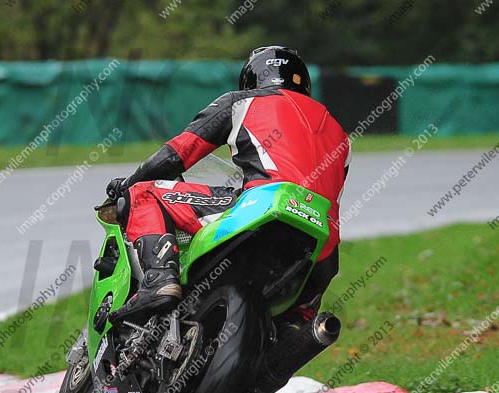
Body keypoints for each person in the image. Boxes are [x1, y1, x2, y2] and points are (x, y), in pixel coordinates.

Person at [107, 45, 350, 324]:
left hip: (264, 206)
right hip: (323, 250)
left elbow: (176, 154)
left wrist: (128, 184)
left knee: (144, 195)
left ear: (251, 81)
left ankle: (159, 281)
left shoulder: (242, 102)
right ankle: (294, 336)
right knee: (297, 327)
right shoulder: (339, 133)